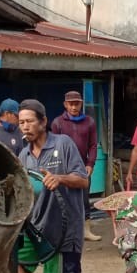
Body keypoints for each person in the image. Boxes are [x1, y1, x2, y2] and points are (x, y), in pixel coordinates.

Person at [16, 99, 90, 273]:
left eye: (29, 121)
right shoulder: (23, 155)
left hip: (66, 227)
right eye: (21, 122)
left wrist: (60, 178)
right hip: (36, 226)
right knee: (16, 266)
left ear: (44, 122)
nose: (24, 126)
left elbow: (83, 180)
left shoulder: (63, 144)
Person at [51, 89, 101, 242]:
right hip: (63, 168)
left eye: (77, 104)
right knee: (63, 199)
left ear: (81, 104)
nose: (74, 107)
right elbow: (54, 146)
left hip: (82, 168)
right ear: (65, 105)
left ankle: (86, 230)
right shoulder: (57, 123)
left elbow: (93, 145)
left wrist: (90, 164)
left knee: (84, 199)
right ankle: (64, 231)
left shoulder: (89, 122)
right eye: (71, 104)